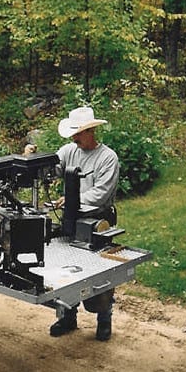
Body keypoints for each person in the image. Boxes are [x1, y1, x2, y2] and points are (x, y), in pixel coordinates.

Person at [52, 106, 120, 341]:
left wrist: (72, 200)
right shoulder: (69, 150)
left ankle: (104, 318)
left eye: (78, 133)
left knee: (100, 271)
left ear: (90, 131)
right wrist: (33, 158)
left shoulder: (107, 158)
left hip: (98, 219)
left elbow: (101, 193)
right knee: (65, 268)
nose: (74, 138)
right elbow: (53, 167)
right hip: (71, 218)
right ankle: (67, 317)